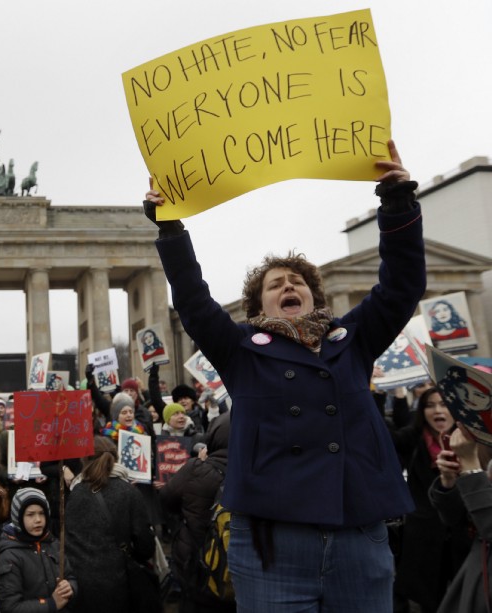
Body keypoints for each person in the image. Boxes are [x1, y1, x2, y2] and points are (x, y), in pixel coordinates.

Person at [143, 140, 422, 611]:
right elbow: (192, 300)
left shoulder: (352, 338)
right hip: (273, 544)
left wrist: (396, 201)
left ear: (314, 296)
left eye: (297, 282)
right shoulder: (240, 350)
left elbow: (401, 285)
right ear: (258, 307)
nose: (289, 286)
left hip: (358, 533)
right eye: (276, 284)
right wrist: (170, 228)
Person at [387, 388, 471, 611]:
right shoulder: (412, 439)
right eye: (430, 405)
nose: (438, 410)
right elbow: (381, 433)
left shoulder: (471, 442)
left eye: (444, 404)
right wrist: (388, 396)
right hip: (422, 536)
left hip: (462, 537)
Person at [65, 436, 155, 613]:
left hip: (79, 583)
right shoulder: (129, 492)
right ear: (116, 459)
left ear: (85, 460)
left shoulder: (75, 492)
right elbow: (146, 546)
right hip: (118, 582)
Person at [160, 413, 234, 613]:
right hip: (238, 570)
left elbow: (167, 499)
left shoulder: (196, 468)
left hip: (196, 562)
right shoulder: (257, 471)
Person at [429, 426, 492, 612]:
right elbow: (454, 518)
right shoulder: (480, 440)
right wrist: (449, 482)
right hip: (477, 572)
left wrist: (471, 471)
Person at [0, 488, 77, 612]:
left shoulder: (53, 544)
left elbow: (70, 575)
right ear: (18, 518)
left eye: (42, 513)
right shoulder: (10, 556)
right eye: (30, 514)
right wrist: (51, 604)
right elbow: (10, 607)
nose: (38, 519)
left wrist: (70, 587)